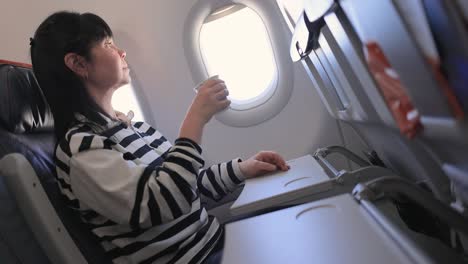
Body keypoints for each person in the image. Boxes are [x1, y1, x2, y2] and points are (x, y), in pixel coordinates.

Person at [30, 11, 289, 264]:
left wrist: (242, 169)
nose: (122, 52)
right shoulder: (81, 150)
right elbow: (162, 202)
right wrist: (196, 118)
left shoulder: (135, 128)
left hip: (215, 245)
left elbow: (187, 185)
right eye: (108, 44)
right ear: (78, 64)